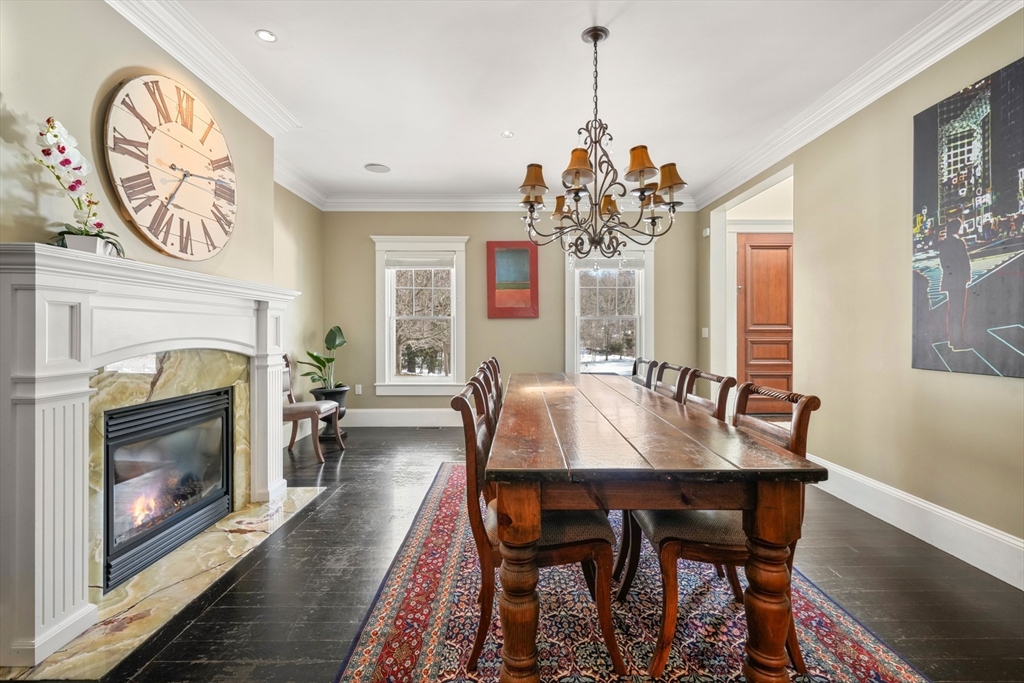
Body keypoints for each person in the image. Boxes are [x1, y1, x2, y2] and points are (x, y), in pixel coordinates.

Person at [937, 218, 972, 350]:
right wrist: (966, 276)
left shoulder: (944, 243)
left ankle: (952, 339)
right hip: (959, 279)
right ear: (957, 228)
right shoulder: (958, 243)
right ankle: (958, 340)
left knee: (952, 310)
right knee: (959, 310)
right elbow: (965, 261)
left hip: (950, 280)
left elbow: (943, 263)